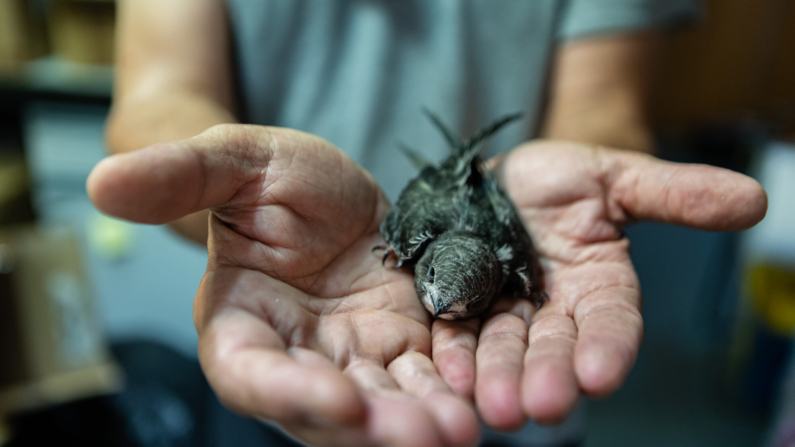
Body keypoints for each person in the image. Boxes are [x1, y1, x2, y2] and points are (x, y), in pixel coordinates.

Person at [86, 1, 768, 446]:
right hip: (290, 334)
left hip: (523, 394)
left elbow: (603, 105)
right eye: (441, 293)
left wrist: (578, 173)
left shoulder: (496, 251)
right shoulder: (438, 244)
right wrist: (242, 190)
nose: (440, 306)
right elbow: (157, 93)